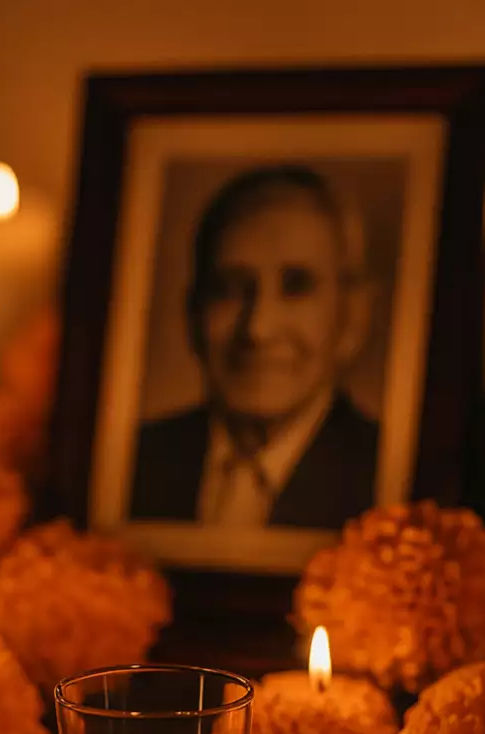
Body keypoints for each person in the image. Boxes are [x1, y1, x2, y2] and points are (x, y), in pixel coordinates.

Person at [130, 165, 378, 530]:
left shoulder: (388, 476)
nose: (258, 328)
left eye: (296, 287)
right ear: (192, 311)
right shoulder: (131, 464)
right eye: (229, 288)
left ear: (353, 314)